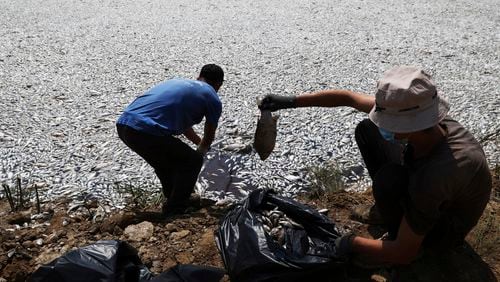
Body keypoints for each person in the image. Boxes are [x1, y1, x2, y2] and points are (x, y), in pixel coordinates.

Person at [259, 65, 492, 266]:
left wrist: (349, 243)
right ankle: (390, 213)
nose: (386, 124)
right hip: (431, 189)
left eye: (390, 122)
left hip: (443, 231)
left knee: (388, 180)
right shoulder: (428, 121)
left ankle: (408, 239)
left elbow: (404, 253)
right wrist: (289, 102)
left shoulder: (437, 175)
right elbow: (347, 98)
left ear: (409, 125)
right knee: (368, 129)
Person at [116, 64, 224, 216]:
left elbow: (186, 128)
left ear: (199, 76)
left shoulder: (180, 83)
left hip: (124, 126)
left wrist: (197, 143)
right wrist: (201, 151)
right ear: (219, 84)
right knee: (192, 161)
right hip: (146, 131)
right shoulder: (212, 97)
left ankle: (174, 199)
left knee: (165, 164)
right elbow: (209, 135)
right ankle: (176, 209)